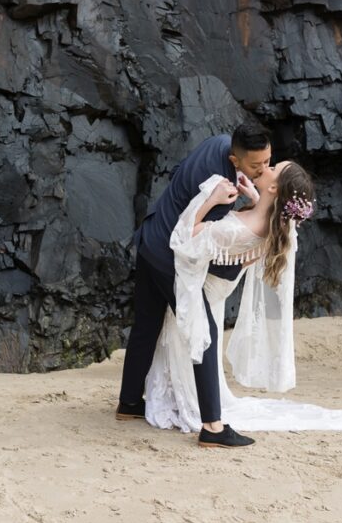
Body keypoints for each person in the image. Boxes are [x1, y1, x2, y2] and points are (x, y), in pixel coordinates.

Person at [144, 161, 342, 439]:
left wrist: (211, 199)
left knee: (191, 349)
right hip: (216, 294)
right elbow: (262, 215)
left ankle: (203, 415)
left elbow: (185, 236)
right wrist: (257, 197)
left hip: (199, 296)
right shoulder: (274, 225)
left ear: (274, 187)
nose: (266, 167)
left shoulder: (240, 230)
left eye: (273, 168)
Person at [117, 123, 272, 448]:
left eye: (267, 162)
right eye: (256, 165)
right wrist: (232, 269)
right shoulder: (220, 191)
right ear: (235, 159)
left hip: (150, 235)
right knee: (205, 330)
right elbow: (192, 241)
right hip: (168, 256)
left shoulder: (218, 143)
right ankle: (213, 426)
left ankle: (129, 402)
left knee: (146, 325)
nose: (262, 170)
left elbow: (179, 175)